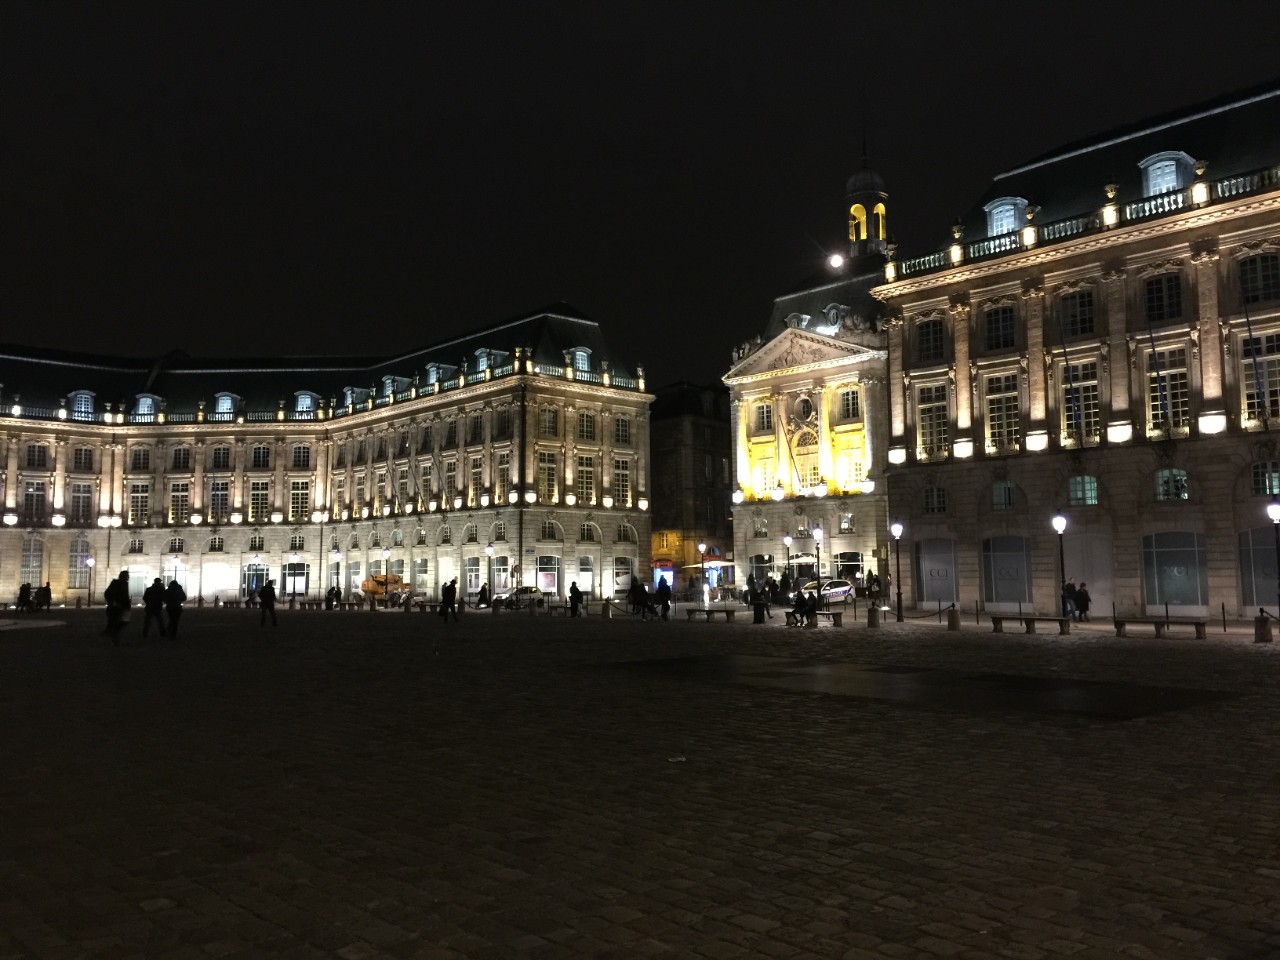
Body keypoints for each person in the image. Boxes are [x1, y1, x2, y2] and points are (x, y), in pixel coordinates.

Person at [103, 570, 131, 645]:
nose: (129, 577)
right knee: (118, 623)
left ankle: (111, 633)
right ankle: (114, 639)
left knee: (122, 622)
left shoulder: (124, 584)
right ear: (123, 576)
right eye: (127, 575)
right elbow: (107, 593)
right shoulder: (116, 583)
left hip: (122, 607)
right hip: (116, 608)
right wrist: (113, 602)